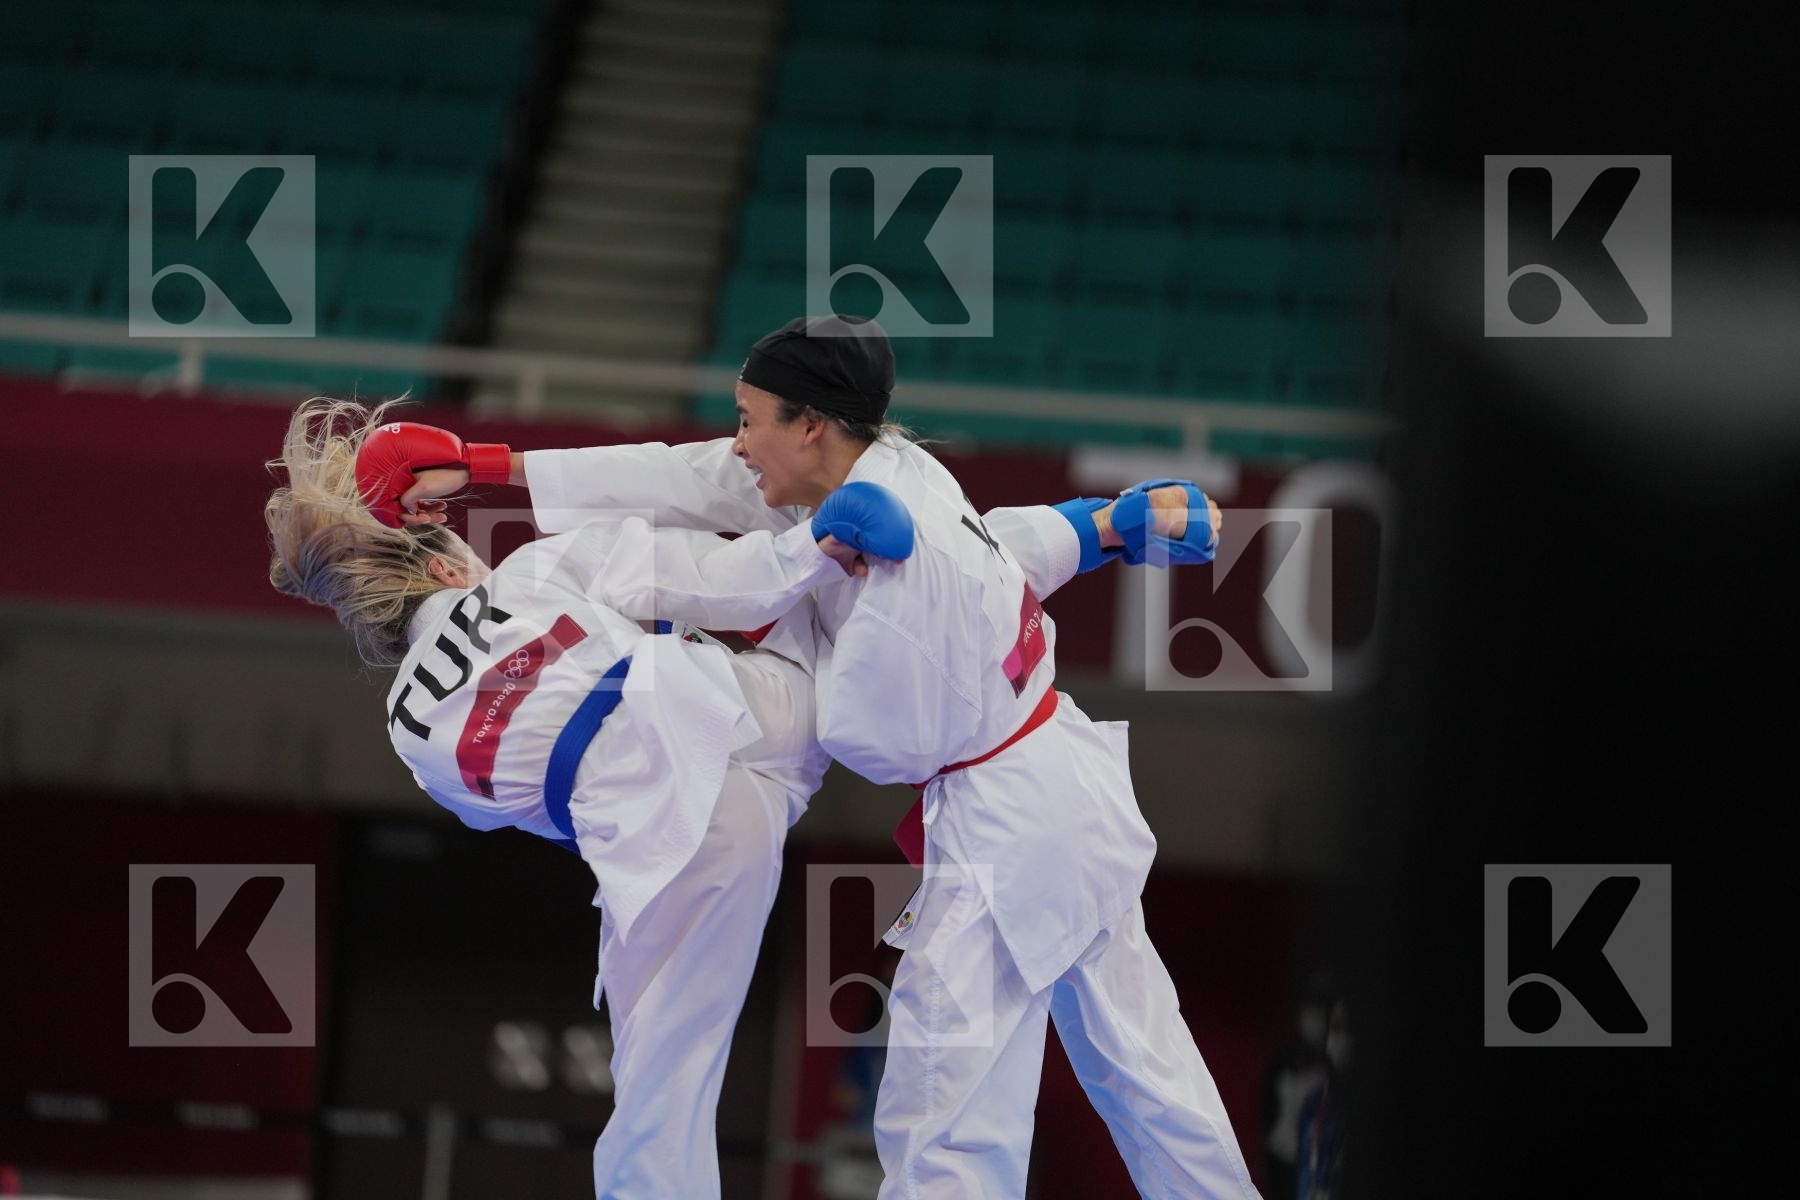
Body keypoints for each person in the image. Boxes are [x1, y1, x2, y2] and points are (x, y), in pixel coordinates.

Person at [384, 314, 1262, 1199]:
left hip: (1009, 829)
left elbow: (863, 740)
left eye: (746, 418)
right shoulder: (897, 470)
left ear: (808, 424)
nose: (735, 443)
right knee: (1145, 1067)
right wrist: (1103, 524)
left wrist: (770, 608)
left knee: (944, 1119)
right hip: (1066, 792)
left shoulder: (897, 560)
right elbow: (688, 476)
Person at [264, 397, 915, 1200]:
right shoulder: (529, 572)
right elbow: (715, 579)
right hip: (717, 711)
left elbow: (513, 805)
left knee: (661, 1086)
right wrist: (809, 549)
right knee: (804, 592)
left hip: (665, 847)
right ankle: (973, 554)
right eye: (463, 554)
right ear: (439, 567)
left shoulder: (410, 733)